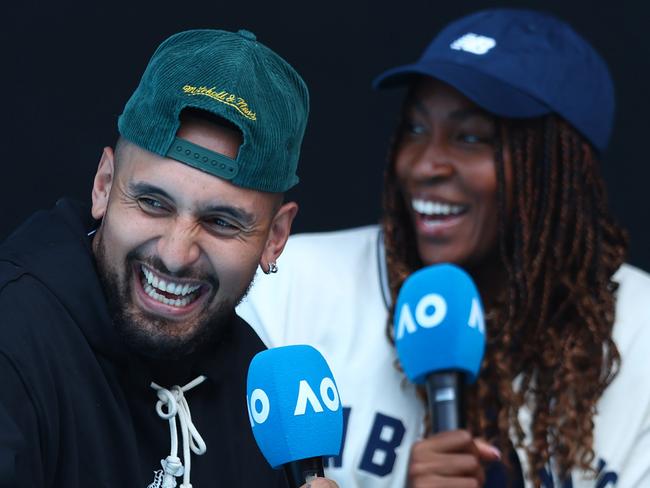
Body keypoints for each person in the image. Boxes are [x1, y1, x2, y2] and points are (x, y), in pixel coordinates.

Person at [237, 8, 650, 487]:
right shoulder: (286, 284)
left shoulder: (641, 331)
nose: (424, 164)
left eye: (471, 138)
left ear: (557, 171)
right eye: (415, 129)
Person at [0, 28, 338, 488]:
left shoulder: (261, 394)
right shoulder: (13, 341)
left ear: (275, 238)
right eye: (153, 203)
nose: (176, 255)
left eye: (221, 222)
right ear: (103, 185)